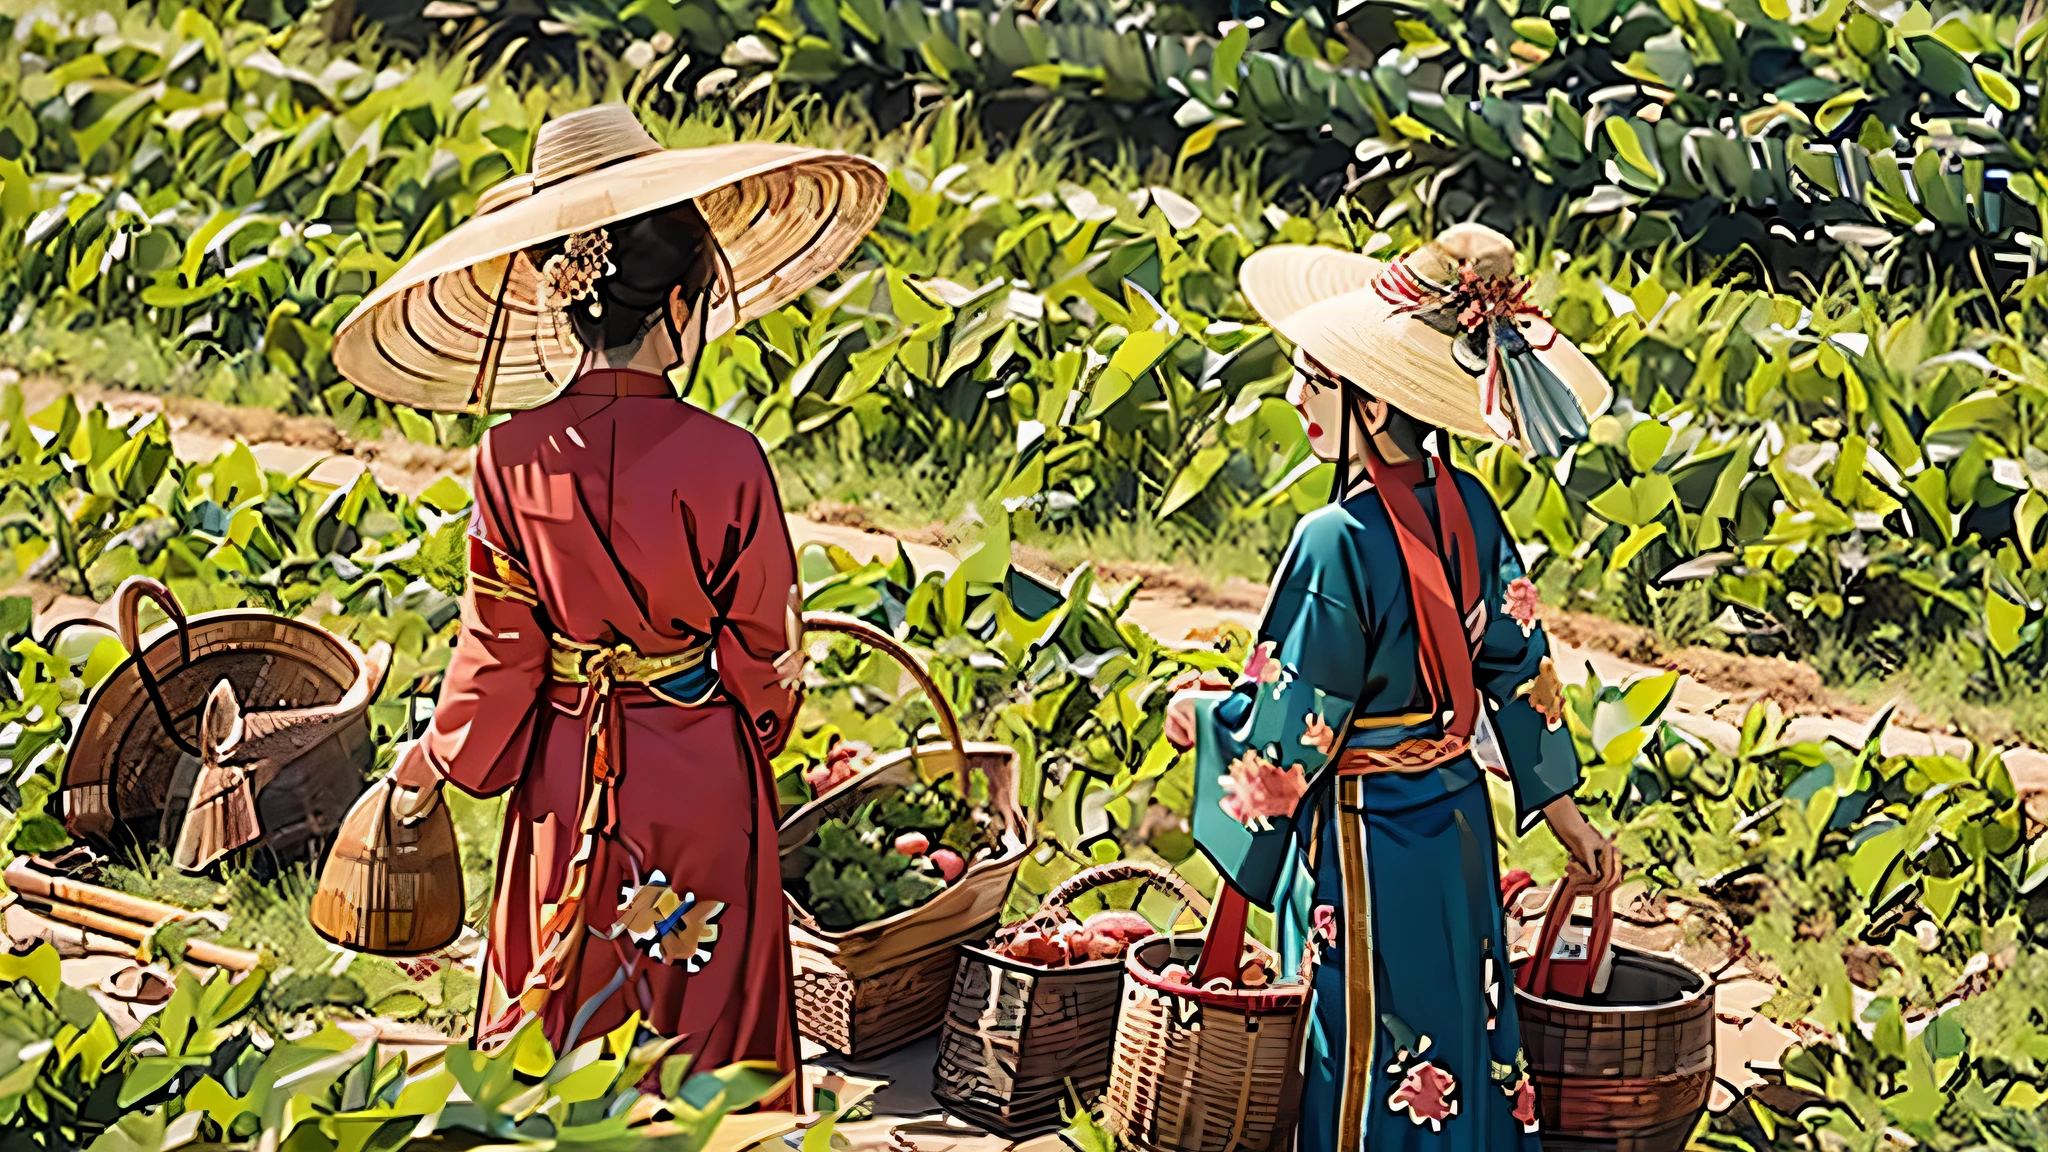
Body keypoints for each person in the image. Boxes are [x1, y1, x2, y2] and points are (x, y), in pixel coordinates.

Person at [328, 104, 887, 1106]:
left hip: (559, 771)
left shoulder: (506, 455)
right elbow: (767, 648)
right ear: (680, 304)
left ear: (566, 300)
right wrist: (754, 727)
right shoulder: (732, 461)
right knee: (702, 1011)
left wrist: (434, 764)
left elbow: (497, 653)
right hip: (699, 772)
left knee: (562, 991)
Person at [1163, 224, 1625, 1151]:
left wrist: (1204, 713)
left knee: (1364, 1051)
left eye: (1315, 377)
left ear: (1373, 408)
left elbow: (1290, 734)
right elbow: (1522, 672)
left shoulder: (1333, 540)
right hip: (1455, 828)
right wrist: (1567, 815)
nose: (1296, 395)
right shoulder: (1475, 510)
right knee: (1458, 1032)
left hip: (1363, 842)